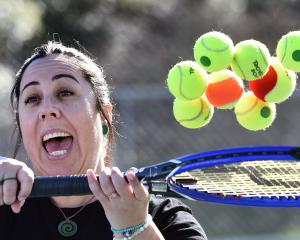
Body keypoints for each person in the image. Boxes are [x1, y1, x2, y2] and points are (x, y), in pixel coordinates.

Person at [0, 41, 207, 240]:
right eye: (32, 99)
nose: (47, 109)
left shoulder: (164, 217)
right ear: (21, 124)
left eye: (65, 92)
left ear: (103, 115)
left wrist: (135, 229)